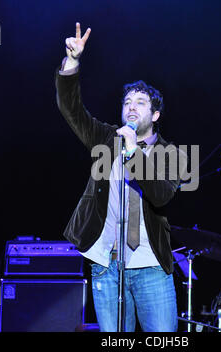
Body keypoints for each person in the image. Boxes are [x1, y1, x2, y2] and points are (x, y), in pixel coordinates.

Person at [55, 22, 187, 332]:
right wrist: (72, 62)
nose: (131, 107)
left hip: (151, 266)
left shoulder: (173, 154)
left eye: (140, 103)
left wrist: (134, 152)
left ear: (155, 115)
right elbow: (72, 110)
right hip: (107, 266)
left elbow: (161, 195)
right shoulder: (105, 138)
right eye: (127, 102)